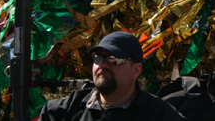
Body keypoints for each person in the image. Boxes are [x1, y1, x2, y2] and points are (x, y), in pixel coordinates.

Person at [38, 31, 185, 121]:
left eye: (114, 60)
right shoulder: (61, 112)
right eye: (98, 58)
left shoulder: (160, 115)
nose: (103, 65)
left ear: (136, 70)